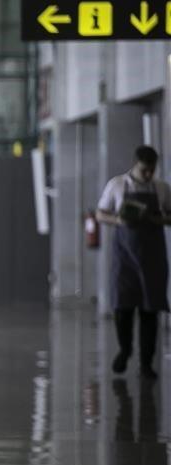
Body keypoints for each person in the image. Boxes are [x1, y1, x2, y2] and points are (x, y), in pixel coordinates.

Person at [96, 145, 171, 379]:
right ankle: (125, 349)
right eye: (144, 170)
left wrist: (160, 219)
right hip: (125, 258)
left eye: (151, 170)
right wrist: (118, 220)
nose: (148, 174)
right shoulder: (117, 185)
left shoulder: (161, 188)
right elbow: (99, 214)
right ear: (135, 164)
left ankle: (146, 363)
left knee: (150, 311)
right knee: (123, 308)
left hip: (152, 259)